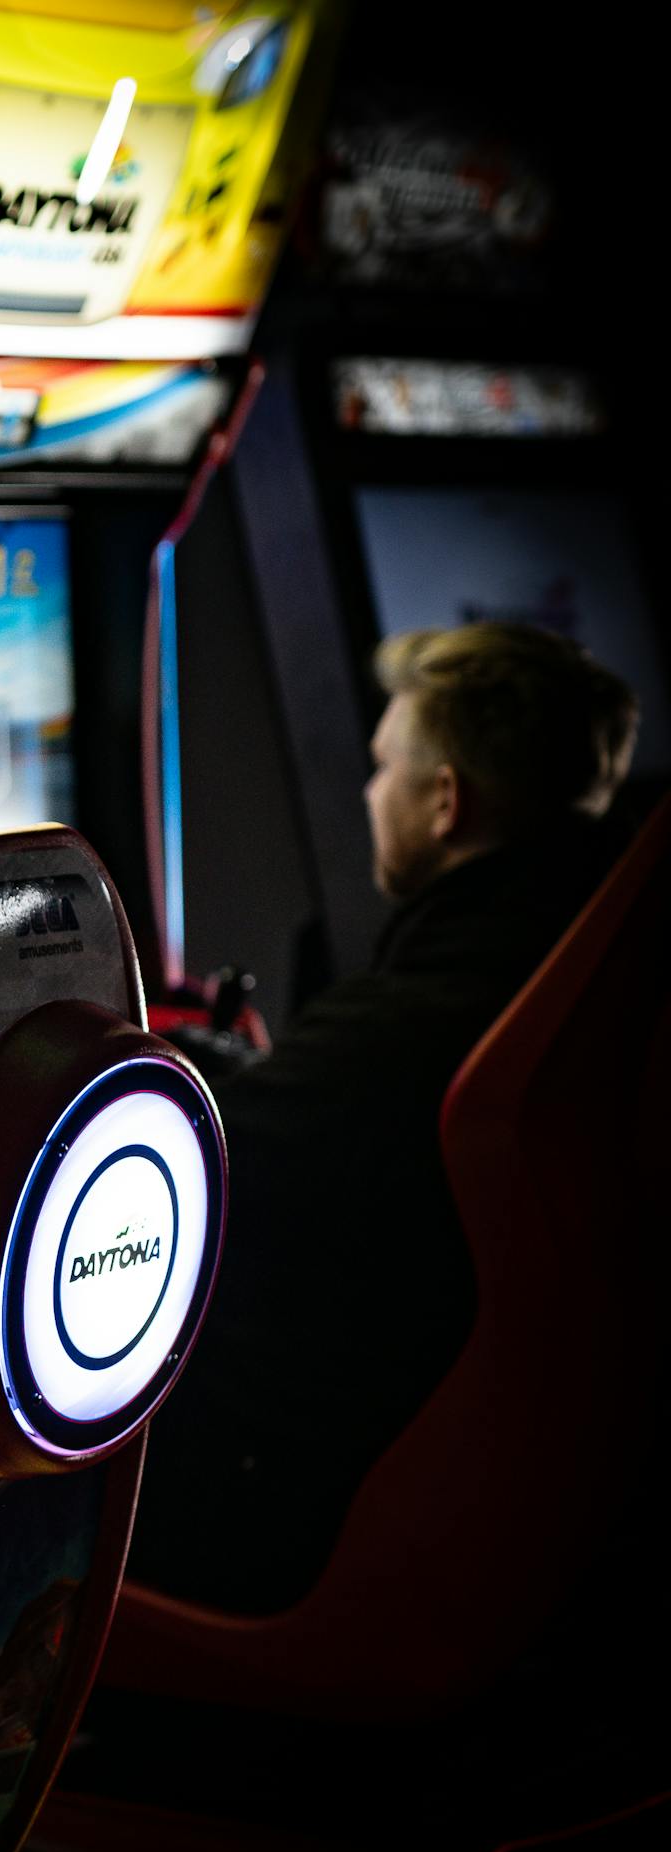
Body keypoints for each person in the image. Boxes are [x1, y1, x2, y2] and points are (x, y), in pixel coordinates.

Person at [131, 623, 641, 1612]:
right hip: (536, 1524)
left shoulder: (411, 1026)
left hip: (319, 1544)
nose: (370, 793)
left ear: (446, 801)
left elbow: (198, 1172)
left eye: (381, 767)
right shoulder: (584, 977)